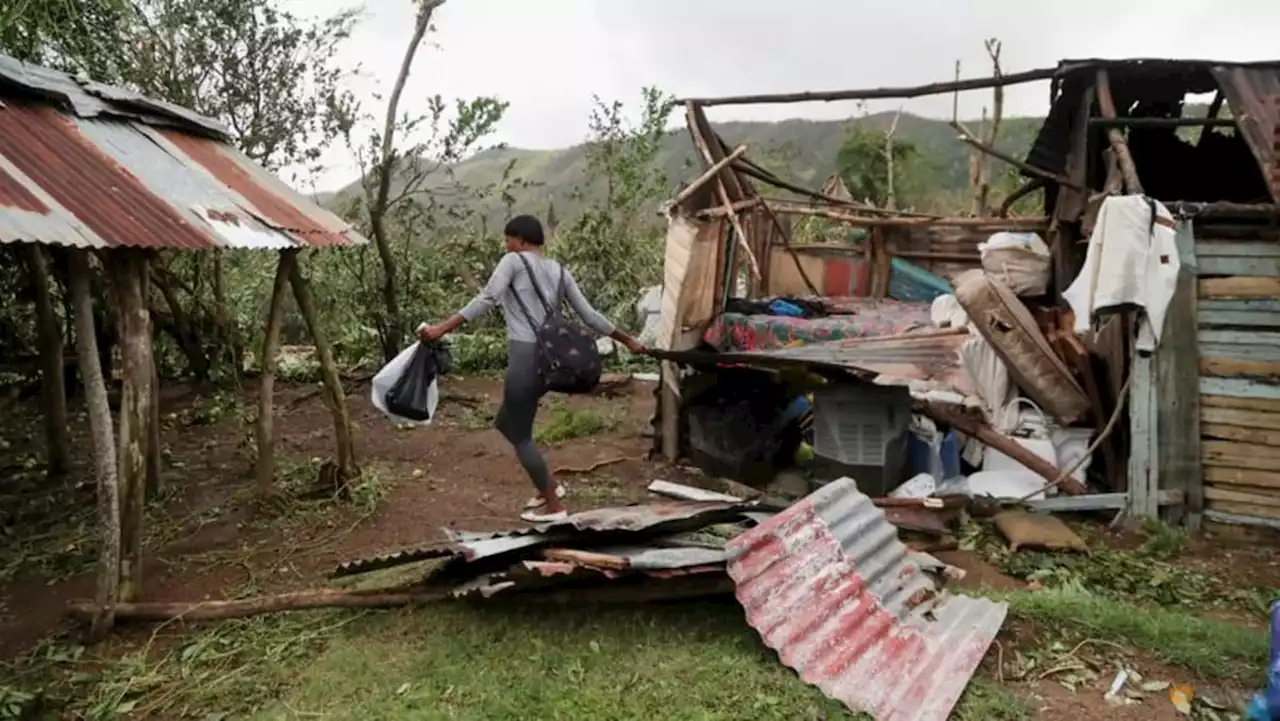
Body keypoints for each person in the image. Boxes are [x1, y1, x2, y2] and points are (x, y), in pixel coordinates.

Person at [417, 215, 648, 523]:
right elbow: (590, 316)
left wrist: (439, 329)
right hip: (550, 360)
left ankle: (554, 505)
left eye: (508, 240)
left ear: (521, 241)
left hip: (525, 356)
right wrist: (628, 340)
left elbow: (487, 298)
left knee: (519, 433)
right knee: (505, 422)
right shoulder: (560, 270)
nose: (506, 246)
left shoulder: (512, 262)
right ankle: (548, 487)